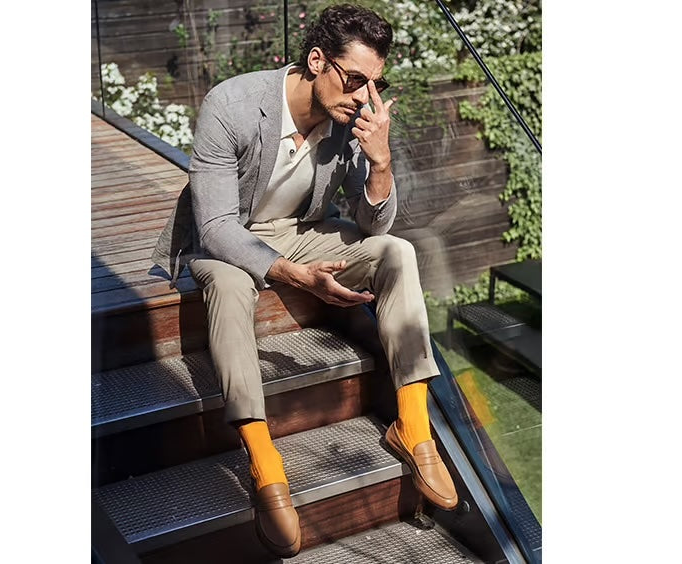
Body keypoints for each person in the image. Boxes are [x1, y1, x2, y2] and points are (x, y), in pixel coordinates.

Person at [152, 3, 458, 558]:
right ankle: (262, 457)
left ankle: (412, 427)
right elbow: (216, 225)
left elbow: (371, 224)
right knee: (227, 282)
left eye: (375, 83)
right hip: (230, 236)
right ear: (316, 61)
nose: (365, 95)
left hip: (300, 231)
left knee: (398, 251)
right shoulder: (233, 104)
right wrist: (295, 275)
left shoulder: (348, 119)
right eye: (356, 79)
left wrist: (382, 162)